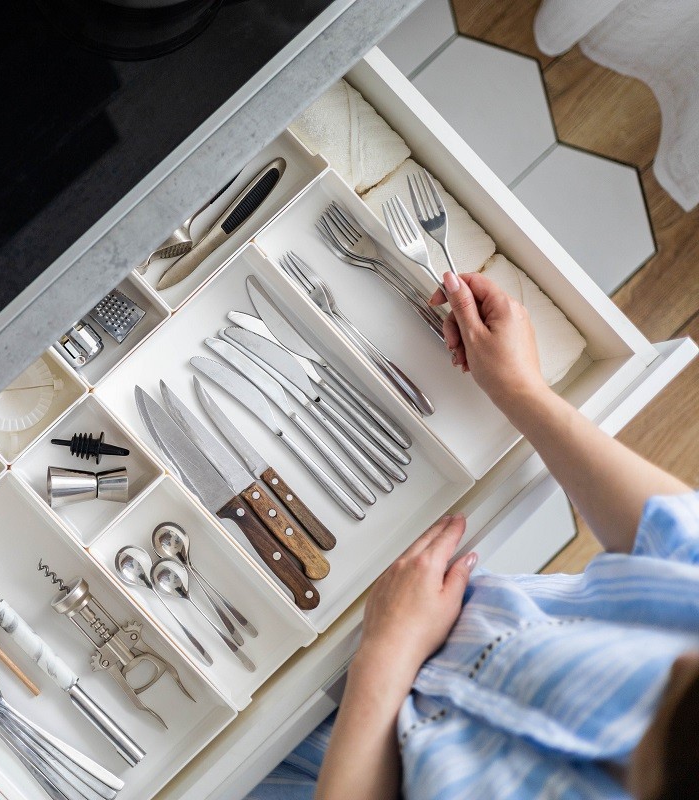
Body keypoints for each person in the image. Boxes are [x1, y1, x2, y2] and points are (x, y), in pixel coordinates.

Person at [250, 270, 699, 800]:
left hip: (299, 761)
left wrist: (387, 653)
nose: (677, 656)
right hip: (410, 598)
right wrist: (518, 387)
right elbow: (675, 535)